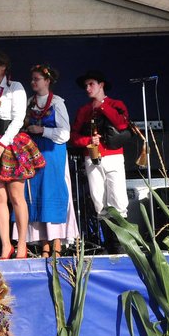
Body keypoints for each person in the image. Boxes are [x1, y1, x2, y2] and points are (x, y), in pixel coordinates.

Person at [0, 51, 45, 259]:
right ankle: (6, 245)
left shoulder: (16, 88)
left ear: (3, 67)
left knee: (16, 196)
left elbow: (18, 119)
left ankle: (22, 244)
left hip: (11, 143)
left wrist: (2, 144)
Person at [18, 64, 79, 258]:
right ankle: (44, 245)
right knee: (36, 194)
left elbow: (65, 133)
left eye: (37, 79)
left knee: (53, 192)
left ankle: (57, 245)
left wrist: (42, 130)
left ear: (47, 81)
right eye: (32, 79)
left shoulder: (57, 103)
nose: (33, 82)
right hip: (33, 152)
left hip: (52, 153)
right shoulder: (29, 103)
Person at [69, 70, 129, 254]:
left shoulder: (115, 104)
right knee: (99, 201)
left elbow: (122, 124)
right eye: (86, 86)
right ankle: (110, 244)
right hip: (92, 158)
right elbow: (73, 137)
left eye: (91, 84)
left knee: (118, 200)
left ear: (101, 85)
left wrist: (102, 106)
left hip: (113, 156)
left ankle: (122, 243)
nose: (88, 88)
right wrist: (88, 141)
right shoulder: (83, 110)